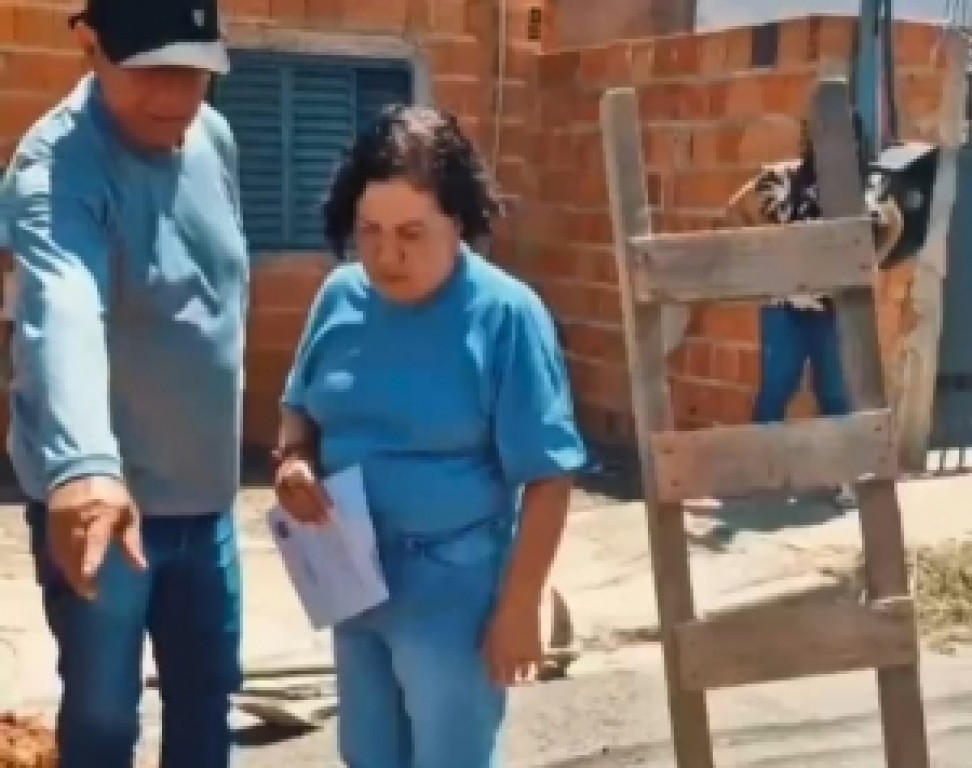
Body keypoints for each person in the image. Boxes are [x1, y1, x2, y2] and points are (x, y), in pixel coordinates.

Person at [273, 105, 587, 768]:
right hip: (352, 574)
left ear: (459, 224)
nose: (387, 256)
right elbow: (300, 407)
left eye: (412, 234)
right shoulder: (339, 297)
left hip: (455, 591)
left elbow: (549, 477)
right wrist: (295, 461)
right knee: (367, 756)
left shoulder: (506, 315)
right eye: (370, 232)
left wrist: (520, 606)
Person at [3, 0, 248, 765]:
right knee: (105, 720)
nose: (173, 97)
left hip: (208, 503)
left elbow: (220, 297)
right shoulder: (55, 169)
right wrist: (84, 467)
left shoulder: (214, 138)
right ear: (90, 44)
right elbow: (64, 304)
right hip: (108, 516)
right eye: (150, 71)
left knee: (207, 699)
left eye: (193, 72)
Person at [725, 114, 904, 507]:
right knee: (777, 388)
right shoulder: (785, 178)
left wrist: (872, 265)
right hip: (785, 304)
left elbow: (894, 224)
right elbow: (736, 207)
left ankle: (844, 478)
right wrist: (766, 253)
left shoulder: (868, 186)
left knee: (836, 393)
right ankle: (761, 474)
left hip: (837, 307)